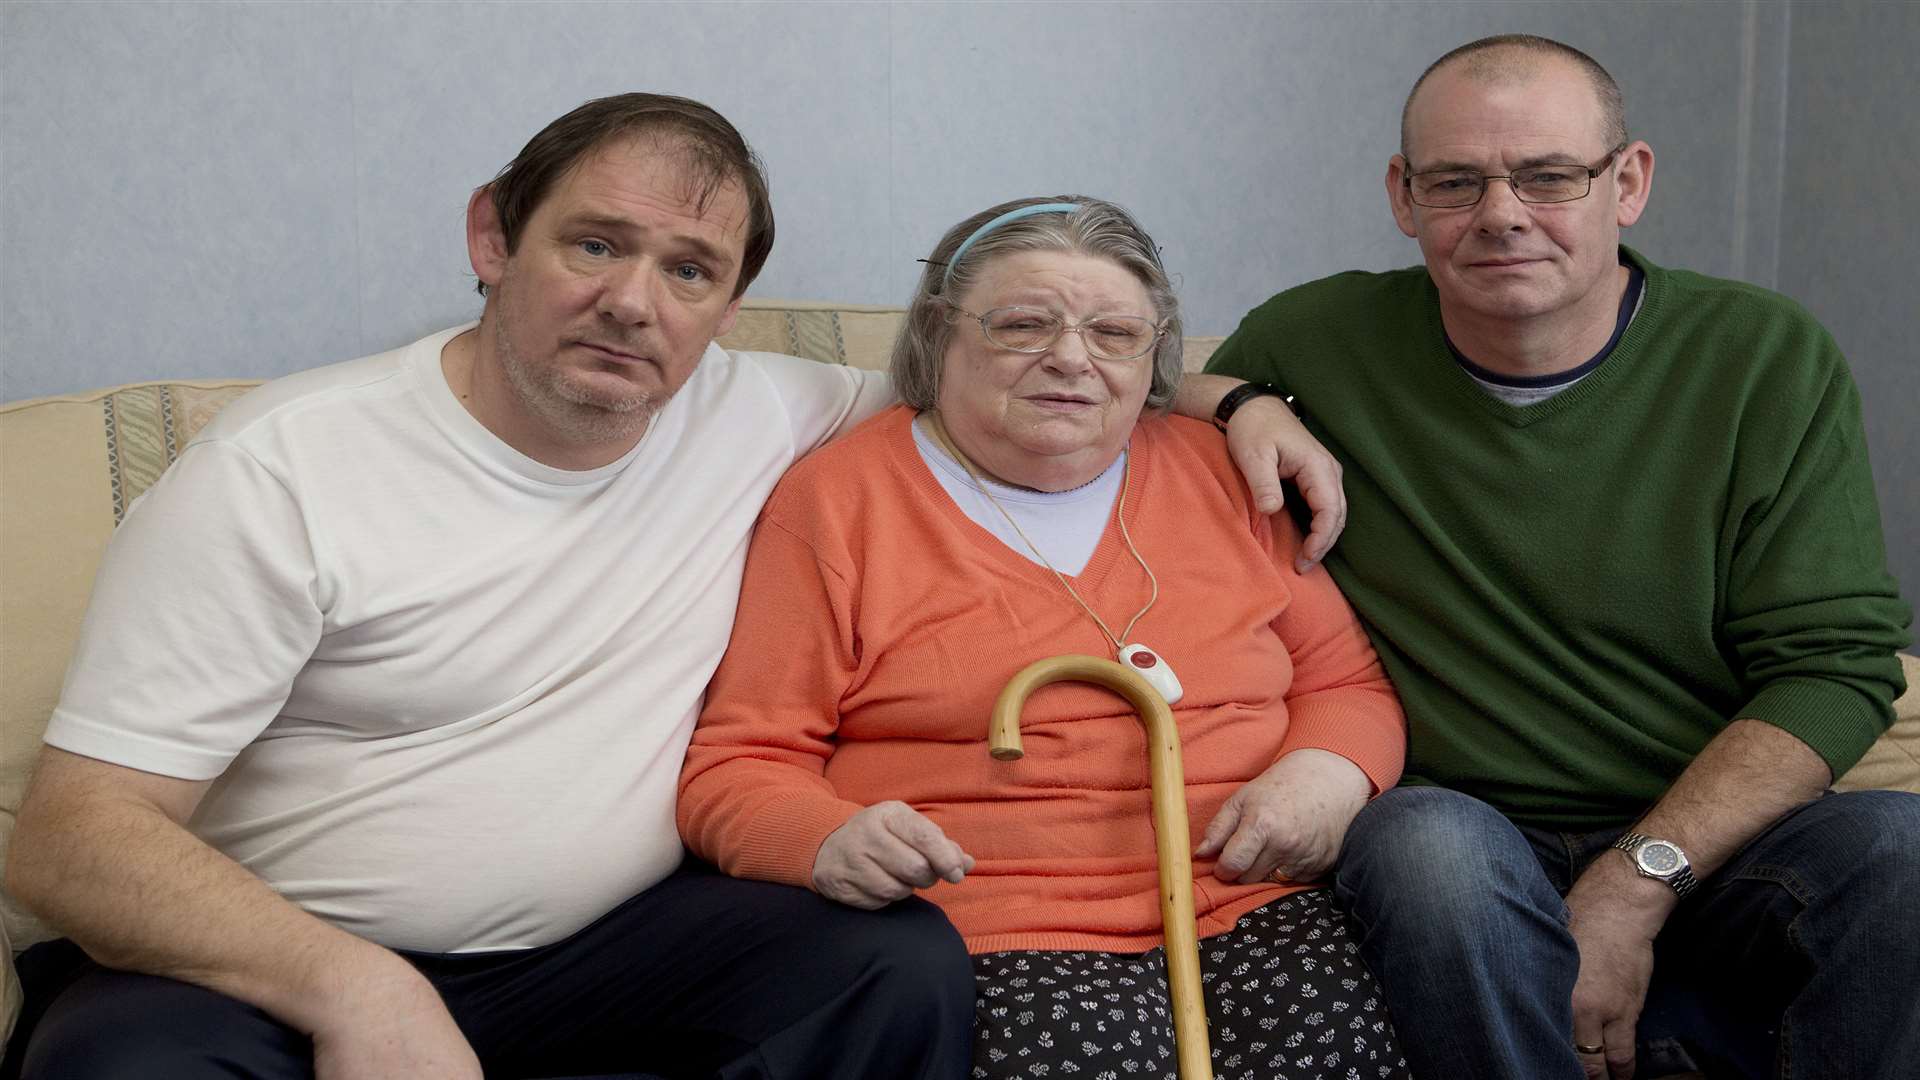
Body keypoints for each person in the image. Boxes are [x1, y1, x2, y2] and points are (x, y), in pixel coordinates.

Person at [2, 96, 1346, 1079]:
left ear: (730, 304)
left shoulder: (772, 411)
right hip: (283, 958)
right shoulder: (283, 471)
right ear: (494, 236)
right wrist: (354, 987)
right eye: (594, 246)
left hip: (620, 942)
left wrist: (1237, 401)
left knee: (894, 964)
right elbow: (70, 838)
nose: (635, 305)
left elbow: (1048, 374)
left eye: (690, 271)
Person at [1202, 33, 1917, 1080]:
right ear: (1404, 196)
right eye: (1457, 181)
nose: (1501, 213)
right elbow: (1119, 398)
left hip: (1712, 837)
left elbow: (1837, 663)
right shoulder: (1310, 340)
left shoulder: (1764, 356)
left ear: (1628, 182)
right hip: (1464, 829)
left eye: (1548, 176)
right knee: (1424, 847)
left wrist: (1633, 887)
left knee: (1906, 854)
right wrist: (1233, 399)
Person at [677, 196, 1412, 1080]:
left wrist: (1328, 775)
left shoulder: (1223, 471)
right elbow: (738, 762)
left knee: (1339, 1049)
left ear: (1156, 357)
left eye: (1114, 332)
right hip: (997, 925)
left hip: (1253, 900)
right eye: (1023, 324)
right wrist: (826, 839)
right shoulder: (838, 503)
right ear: (941, 336)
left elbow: (1346, 686)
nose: (1071, 357)